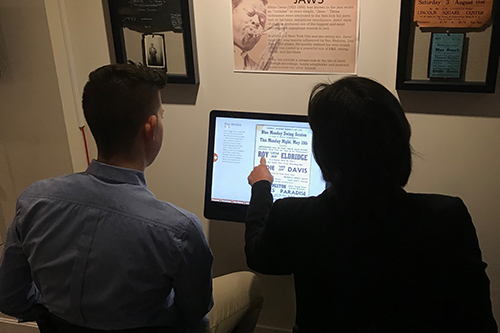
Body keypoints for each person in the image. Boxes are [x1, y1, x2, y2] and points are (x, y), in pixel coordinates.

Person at [0, 63, 263, 333]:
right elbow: (194, 313)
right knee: (250, 285)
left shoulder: (33, 202)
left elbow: (10, 297)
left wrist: (58, 311)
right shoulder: (180, 230)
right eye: (161, 115)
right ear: (150, 127)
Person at [245, 76, 497, 332]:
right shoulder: (447, 218)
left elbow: (258, 256)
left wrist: (261, 187)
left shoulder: (295, 217)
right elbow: (478, 319)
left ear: (324, 152)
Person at [232, 0, 267, 70]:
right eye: (250, 13)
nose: (257, 22)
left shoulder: (257, 68)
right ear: (231, 11)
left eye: (262, 19)